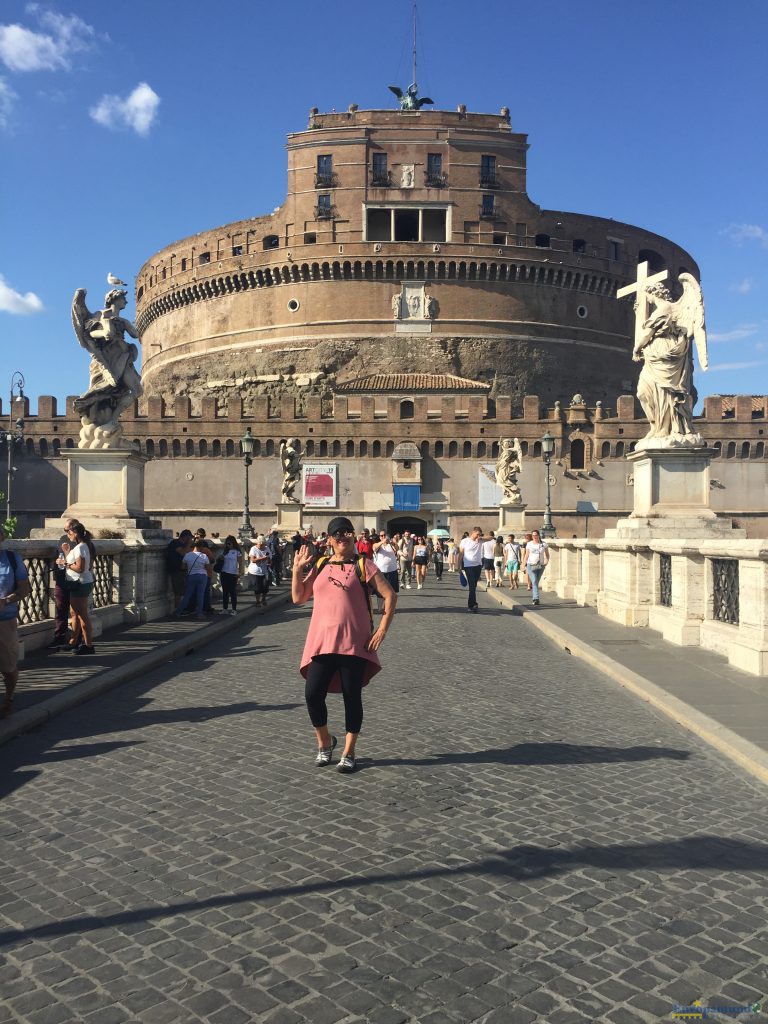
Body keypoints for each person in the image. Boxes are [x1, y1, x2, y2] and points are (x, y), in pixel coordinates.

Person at [292, 516, 397, 774]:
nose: (342, 538)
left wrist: (382, 629)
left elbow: (389, 595)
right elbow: (298, 598)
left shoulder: (364, 565)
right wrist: (296, 571)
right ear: (329, 540)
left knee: (352, 696)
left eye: (347, 533)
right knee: (312, 694)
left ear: (353, 537)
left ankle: (349, 751)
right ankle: (325, 742)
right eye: (337, 535)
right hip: (322, 642)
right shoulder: (320, 564)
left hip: (353, 642)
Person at [0, 525, 31, 717]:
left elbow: (25, 589)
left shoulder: (12, 559)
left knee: (8, 667)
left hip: (5, 621)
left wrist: (6, 600)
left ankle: (9, 698)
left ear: (1, 537)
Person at [61, 521, 96, 654]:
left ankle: (88, 645)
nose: (67, 534)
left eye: (68, 531)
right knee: (75, 614)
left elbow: (80, 568)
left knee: (82, 615)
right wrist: (66, 554)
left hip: (80, 583)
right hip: (80, 583)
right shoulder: (81, 546)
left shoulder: (81, 547)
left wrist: (65, 564)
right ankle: (73, 642)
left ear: (75, 533)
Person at [47, 517, 75, 648]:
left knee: (76, 611)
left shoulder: (82, 543)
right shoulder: (62, 539)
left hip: (75, 580)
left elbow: (83, 563)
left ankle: (77, 638)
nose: (66, 532)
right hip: (61, 577)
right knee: (60, 609)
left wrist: (65, 561)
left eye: (68, 530)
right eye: (65, 530)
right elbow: (59, 554)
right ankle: (60, 636)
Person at [174, 538, 212, 619]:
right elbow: (209, 569)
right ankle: (199, 614)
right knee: (200, 595)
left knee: (187, 595)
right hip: (202, 576)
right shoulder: (204, 556)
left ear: (194, 546)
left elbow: (183, 567)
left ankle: (178, 612)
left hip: (191, 576)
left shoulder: (188, 555)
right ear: (201, 547)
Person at [372, 531, 399, 612]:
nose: (383, 537)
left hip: (392, 570)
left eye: (384, 535)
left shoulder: (391, 544)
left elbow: (397, 549)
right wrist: (382, 542)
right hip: (381, 571)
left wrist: (394, 543)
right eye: (381, 535)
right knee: (380, 591)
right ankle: (380, 608)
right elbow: (374, 548)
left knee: (392, 590)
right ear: (379, 537)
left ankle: (390, 608)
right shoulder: (377, 544)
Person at [166, 529, 193, 608]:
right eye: (189, 538)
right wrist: (189, 544)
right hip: (176, 570)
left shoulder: (182, 544)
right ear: (186, 537)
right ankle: (177, 610)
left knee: (182, 591)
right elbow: (183, 553)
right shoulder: (176, 543)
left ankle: (181, 608)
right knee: (178, 592)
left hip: (182, 570)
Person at [458, 526, 483, 612]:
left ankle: (474, 603)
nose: (478, 536)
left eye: (479, 535)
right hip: (468, 566)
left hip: (478, 566)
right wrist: (459, 567)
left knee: (474, 586)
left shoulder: (480, 540)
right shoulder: (465, 541)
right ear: (473, 532)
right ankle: (471, 605)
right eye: (477, 534)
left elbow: (491, 537)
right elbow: (461, 554)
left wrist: (481, 537)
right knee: (472, 586)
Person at [523, 529, 549, 606]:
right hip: (530, 565)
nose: (534, 537)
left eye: (536, 535)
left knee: (536, 582)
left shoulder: (543, 544)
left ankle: (535, 597)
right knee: (534, 581)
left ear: (538, 535)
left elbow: (547, 554)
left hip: (540, 566)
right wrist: (523, 564)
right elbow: (526, 555)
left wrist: (546, 562)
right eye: (533, 535)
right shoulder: (529, 544)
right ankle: (536, 598)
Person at [219, 535, 243, 615]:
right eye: (227, 543)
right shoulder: (224, 552)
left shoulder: (237, 552)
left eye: (229, 543)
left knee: (232, 592)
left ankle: (234, 609)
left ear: (233, 543)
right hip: (224, 573)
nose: (228, 544)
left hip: (233, 574)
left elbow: (240, 563)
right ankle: (225, 609)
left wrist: (240, 573)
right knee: (225, 592)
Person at [247, 535, 270, 606]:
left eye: (263, 544)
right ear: (258, 543)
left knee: (265, 586)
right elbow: (253, 560)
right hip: (255, 572)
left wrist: (269, 560)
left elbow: (270, 559)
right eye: (261, 544)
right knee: (257, 587)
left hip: (264, 571)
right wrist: (263, 558)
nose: (262, 546)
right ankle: (258, 601)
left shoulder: (267, 548)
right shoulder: (253, 549)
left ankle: (263, 598)